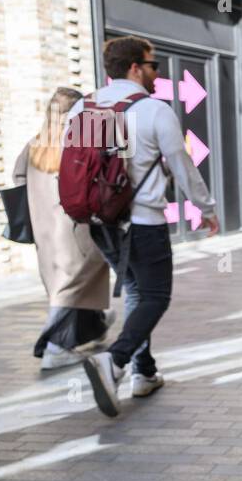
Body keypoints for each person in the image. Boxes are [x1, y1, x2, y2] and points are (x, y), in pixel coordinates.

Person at [79, 36, 219, 417]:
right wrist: (205, 208)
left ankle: (143, 371)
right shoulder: (154, 110)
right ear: (135, 68)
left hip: (100, 223)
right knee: (156, 296)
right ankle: (116, 360)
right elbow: (181, 166)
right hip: (143, 222)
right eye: (153, 65)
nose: (158, 73)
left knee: (137, 293)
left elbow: (88, 169)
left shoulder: (84, 106)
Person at [12, 87, 115, 370]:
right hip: (73, 226)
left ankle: (95, 323)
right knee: (73, 284)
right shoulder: (76, 143)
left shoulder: (34, 144)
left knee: (65, 282)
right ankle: (54, 347)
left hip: (43, 230)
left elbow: (18, 177)